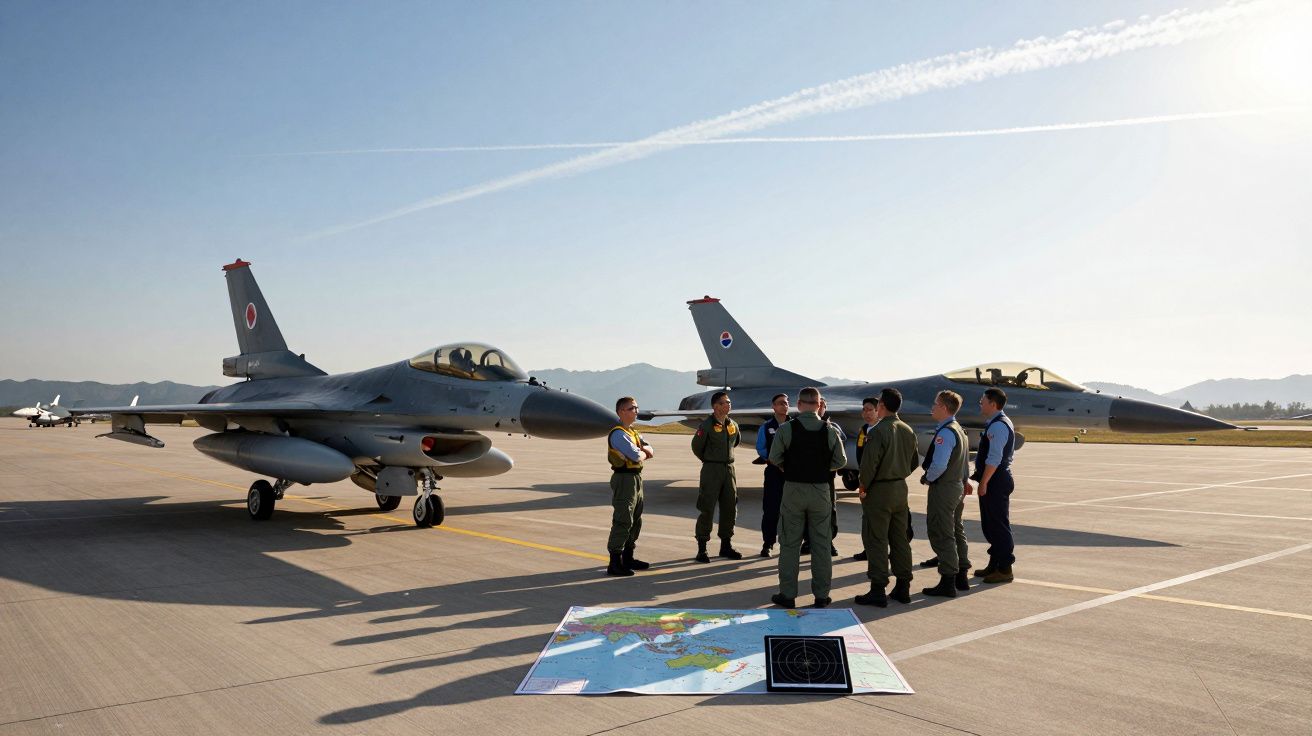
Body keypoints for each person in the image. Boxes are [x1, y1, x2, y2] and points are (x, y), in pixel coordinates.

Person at [768, 387, 847, 609]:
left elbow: (774, 457)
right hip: (821, 490)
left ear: (799, 404)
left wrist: (789, 468)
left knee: (790, 543)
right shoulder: (829, 430)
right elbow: (840, 461)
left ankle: (788, 594)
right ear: (819, 404)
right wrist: (821, 469)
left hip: (793, 489)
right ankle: (822, 595)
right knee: (821, 544)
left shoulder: (786, 429)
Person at [854, 388, 919, 607]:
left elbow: (868, 465)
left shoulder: (878, 430)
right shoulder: (907, 429)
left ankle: (878, 589)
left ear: (882, 405)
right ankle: (903, 586)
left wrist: (863, 486)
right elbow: (913, 463)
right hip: (900, 489)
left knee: (877, 539)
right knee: (900, 539)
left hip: (879, 491)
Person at [918, 390, 973, 597]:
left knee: (942, 532)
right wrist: (965, 480)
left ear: (943, 407)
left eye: (935, 403)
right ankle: (962, 575)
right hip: (957, 485)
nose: (932, 407)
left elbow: (940, 464)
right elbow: (965, 461)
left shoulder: (946, 432)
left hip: (945, 487)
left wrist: (928, 478)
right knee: (957, 529)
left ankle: (948, 580)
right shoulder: (959, 429)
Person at [605, 396, 654, 577]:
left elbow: (650, 450)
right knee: (623, 519)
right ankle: (614, 562)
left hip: (636, 478)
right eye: (632, 408)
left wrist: (642, 452)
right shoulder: (618, 434)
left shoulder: (632, 432)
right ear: (621, 412)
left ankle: (628, 557)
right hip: (624, 479)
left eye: (636, 408)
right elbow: (636, 456)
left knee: (636, 520)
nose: (636, 411)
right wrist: (642, 452)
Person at [691, 391, 742, 562]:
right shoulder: (706, 426)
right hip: (711, 470)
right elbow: (697, 447)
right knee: (707, 508)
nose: (728, 405)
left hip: (729, 470)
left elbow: (735, 441)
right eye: (724, 402)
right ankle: (702, 549)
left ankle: (725, 546)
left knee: (730, 507)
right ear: (715, 406)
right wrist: (710, 459)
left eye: (729, 402)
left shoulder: (733, 424)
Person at [973, 387, 1017, 583]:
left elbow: (994, 458)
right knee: (991, 524)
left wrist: (984, 482)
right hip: (995, 479)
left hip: (996, 480)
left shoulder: (998, 426)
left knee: (998, 525)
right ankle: (995, 563)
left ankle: (1005, 568)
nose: (980, 403)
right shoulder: (995, 422)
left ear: (993, 403)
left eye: (983, 400)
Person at [801, 397, 841, 557]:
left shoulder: (833, 428)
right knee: (806, 510)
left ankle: (828, 541)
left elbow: (840, 448)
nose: (820, 408)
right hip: (805, 478)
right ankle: (808, 541)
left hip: (826, 479)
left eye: (823, 406)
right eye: (818, 405)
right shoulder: (799, 426)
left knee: (829, 510)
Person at [755, 393, 790, 557]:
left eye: (786, 402)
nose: (784, 405)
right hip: (774, 473)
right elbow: (761, 448)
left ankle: (791, 544)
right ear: (773, 407)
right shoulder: (766, 427)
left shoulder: (795, 425)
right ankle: (767, 543)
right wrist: (774, 461)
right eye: (780, 403)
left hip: (791, 474)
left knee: (792, 510)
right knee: (771, 509)